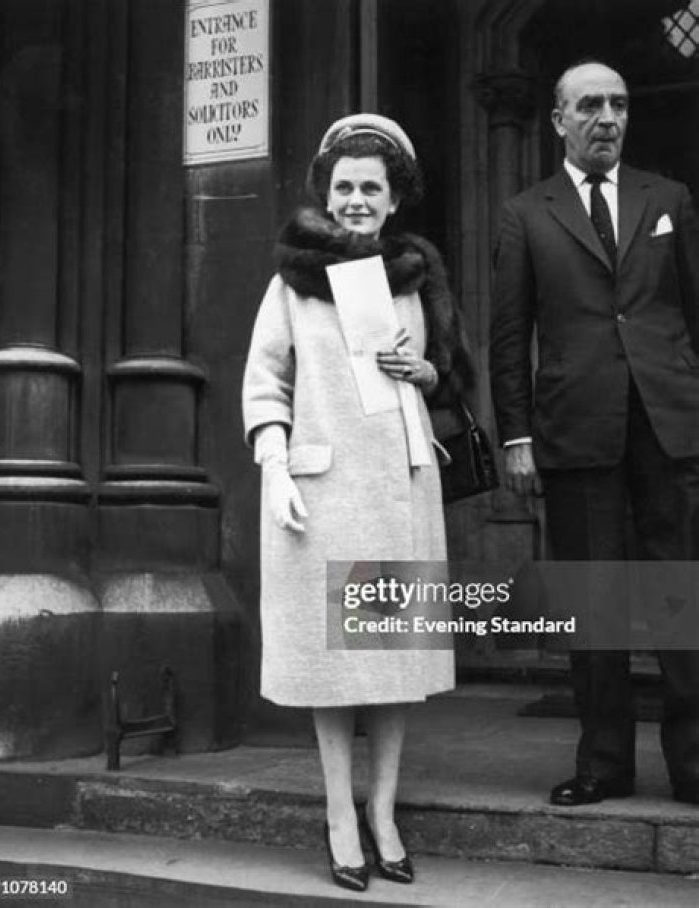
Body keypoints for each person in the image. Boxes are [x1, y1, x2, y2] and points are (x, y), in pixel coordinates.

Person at [242, 113, 473, 890]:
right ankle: (340, 813)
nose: (356, 201)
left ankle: (384, 811)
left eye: (371, 188)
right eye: (344, 187)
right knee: (333, 663)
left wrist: (426, 373)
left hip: (399, 489)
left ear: (393, 198)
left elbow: (449, 374)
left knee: (394, 657)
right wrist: (275, 464)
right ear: (326, 194)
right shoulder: (292, 281)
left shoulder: (415, 276)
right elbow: (266, 381)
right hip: (325, 489)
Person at [491, 59, 699, 807]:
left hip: (670, 424)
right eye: (589, 106)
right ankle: (604, 763)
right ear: (559, 120)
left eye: (618, 104)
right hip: (577, 427)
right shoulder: (526, 214)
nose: (607, 118)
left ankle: (695, 765)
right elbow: (509, 333)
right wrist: (516, 435)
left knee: (681, 597)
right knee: (593, 600)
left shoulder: (667, 198)